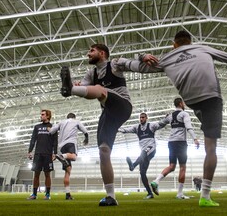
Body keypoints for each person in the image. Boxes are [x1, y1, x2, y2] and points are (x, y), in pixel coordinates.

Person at [113, 30, 227, 207]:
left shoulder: (168, 57)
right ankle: (205, 196)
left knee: (177, 159)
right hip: (211, 99)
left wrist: (125, 61)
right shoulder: (202, 48)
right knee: (211, 149)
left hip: (191, 100)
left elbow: (140, 67)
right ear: (191, 41)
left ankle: (202, 117)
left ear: (174, 44)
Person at [60, 43, 134, 206]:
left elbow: (133, 64)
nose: (88, 54)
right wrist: (80, 87)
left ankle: (69, 89)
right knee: (103, 151)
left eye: (91, 51)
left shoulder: (114, 64)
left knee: (100, 90)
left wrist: (144, 58)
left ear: (102, 53)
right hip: (108, 113)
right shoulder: (91, 73)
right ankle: (111, 197)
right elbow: (87, 90)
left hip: (123, 106)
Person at [150, 98, 200, 200]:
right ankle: (180, 194)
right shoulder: (184, 114)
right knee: (182, 167)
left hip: (171, 143)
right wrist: (195, 139)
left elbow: (160, 124)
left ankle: (156, 181)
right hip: (181, 143)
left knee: (172, 166)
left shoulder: (170, 116)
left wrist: (150, 129)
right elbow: (189, 127)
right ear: (181, 103)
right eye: (183, 103)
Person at [118, 112, 165, 199]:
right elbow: (126, 130)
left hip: (151, 149)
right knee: (142, 173)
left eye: (143, 117)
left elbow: (161, 124)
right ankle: (150, 193)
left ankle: (133, 165)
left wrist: (166, 119)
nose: (141, 119)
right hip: (143, 156)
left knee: (143, 153)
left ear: (146, 118)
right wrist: (117, 129)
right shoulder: (137, 127)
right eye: (140, 117)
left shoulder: (151, 126)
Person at [49, 112, 88, 200]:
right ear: (74, 117)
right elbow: (85, 130)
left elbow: (51, 131)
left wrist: (49, 128)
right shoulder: (76, 121)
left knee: (68, 170)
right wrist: (86, 137)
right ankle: (61, 156)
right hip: (70, 143)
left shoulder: (61, 122)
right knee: (74, 157)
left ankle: (67, 194)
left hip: (62, 146)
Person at [27, 109, 57, 200]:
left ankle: (47, 194)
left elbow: (55, 141)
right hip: (38, 154)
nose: (41, 116)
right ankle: (34, 194)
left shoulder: (53, 127)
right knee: (36, 174)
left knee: (47, 175)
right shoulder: (37, 127)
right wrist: (30, 151)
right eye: (41, 114)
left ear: (48, 116)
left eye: (43, 114)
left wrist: (54, 153)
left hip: (48, 154)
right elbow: (33, 140)